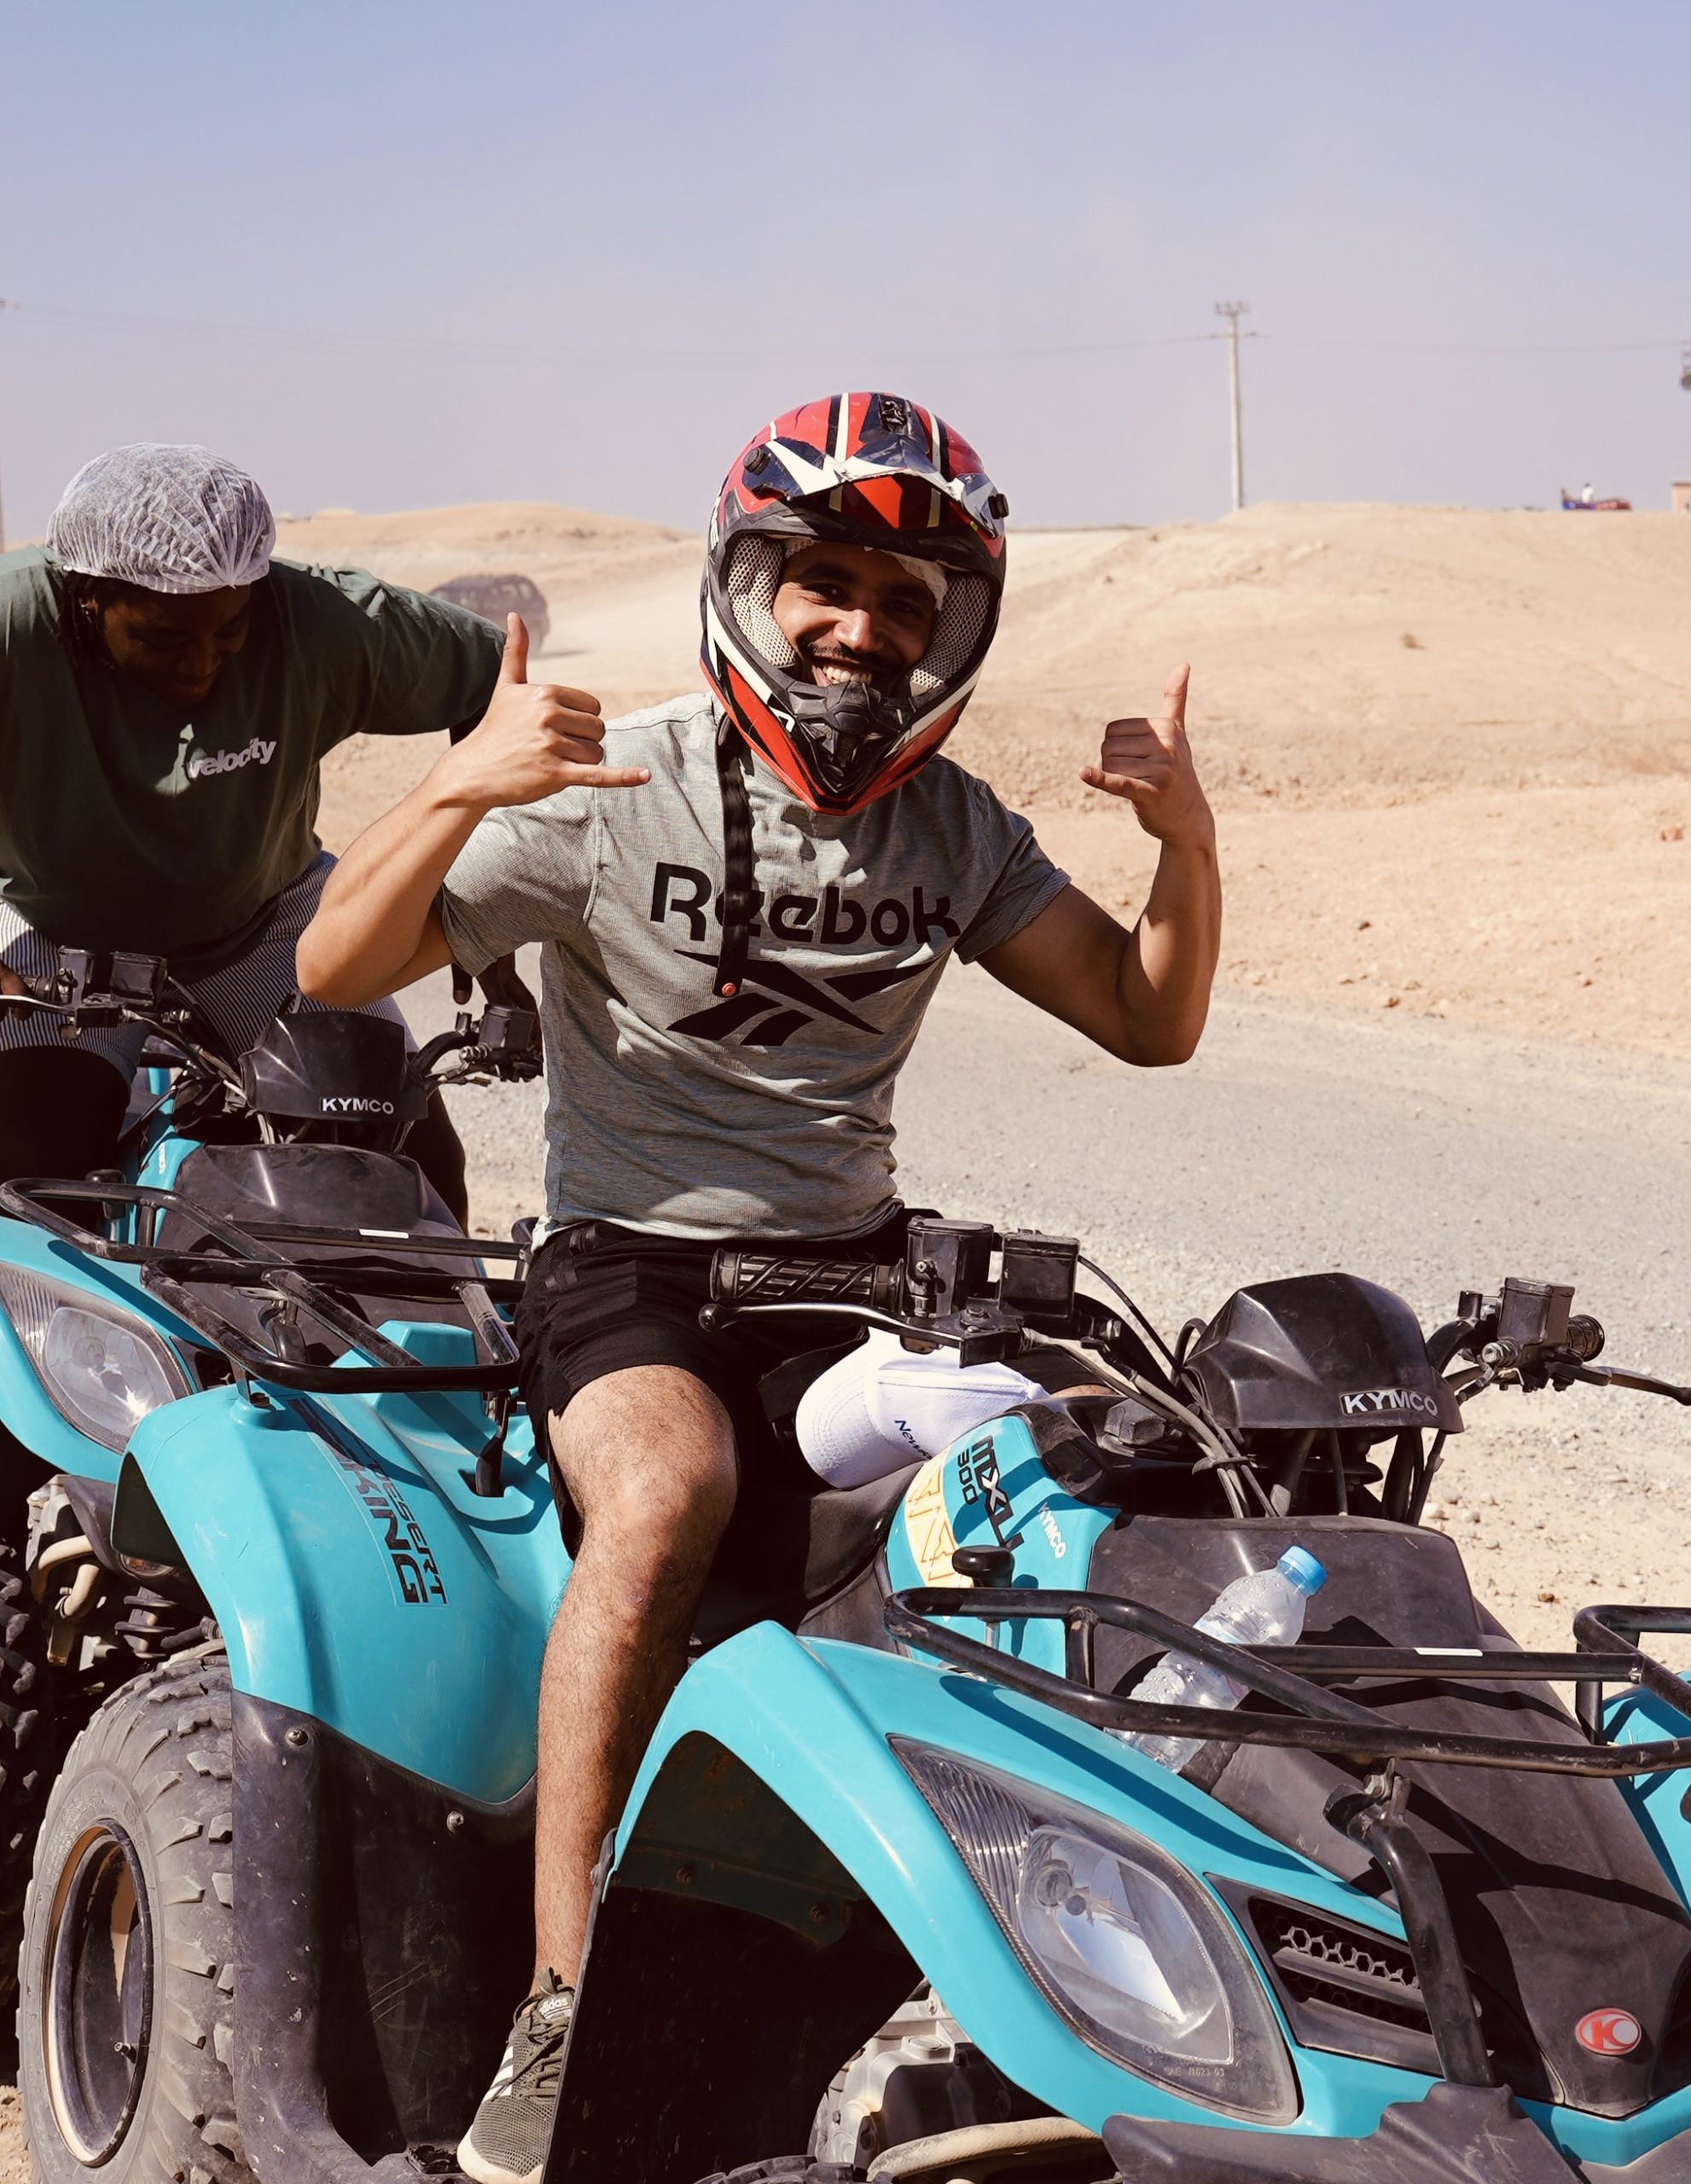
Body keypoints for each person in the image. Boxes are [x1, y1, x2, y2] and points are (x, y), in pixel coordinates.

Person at [295, 389, 1222, 2184]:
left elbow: (1145, 1016)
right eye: (824, 579)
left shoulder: (949, 829)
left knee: (1085, 1486)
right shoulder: (606, 782)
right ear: (748, 579)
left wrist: (1183, 843)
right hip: (627, 1269)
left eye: (903, 598)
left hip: (851, 1272)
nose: (861, 627)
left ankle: (1069, 1985)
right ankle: (560, 2004)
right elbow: (340, 957)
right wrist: (461, 782)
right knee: (665, 1493)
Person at [0, 443, 507, 1217]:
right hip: (54, 932)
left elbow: (499, 685)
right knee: (38, 1184)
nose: (201, 663)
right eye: (163, 637)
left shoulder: (323, 622)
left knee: (410, 1170)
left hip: (264, 926)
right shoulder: (13, 624)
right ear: (86, 599)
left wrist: (481, 919)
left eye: (229, 631)